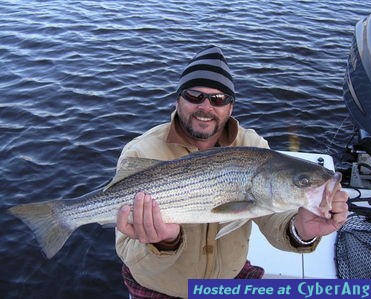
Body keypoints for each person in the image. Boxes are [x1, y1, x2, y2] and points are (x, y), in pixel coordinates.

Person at [115, 45, 348, 298]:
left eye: (218, 99)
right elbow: (127, 252)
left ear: (231, 107)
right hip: (160, 288)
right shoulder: (140, 151)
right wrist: (163, 243)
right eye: (194, 96)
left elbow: (271, 216)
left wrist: (301, 230)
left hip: (228, 281)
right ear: (178, 99)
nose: (205, 106)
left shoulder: (254, 146)